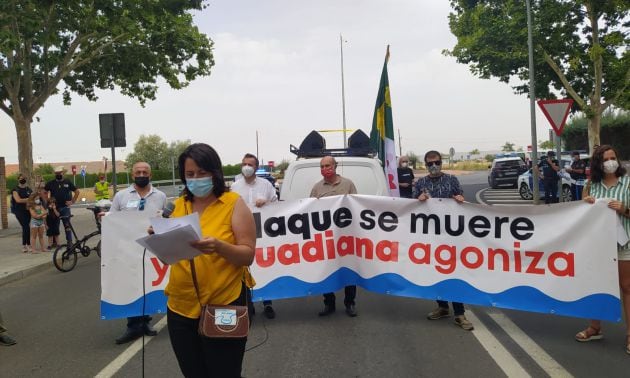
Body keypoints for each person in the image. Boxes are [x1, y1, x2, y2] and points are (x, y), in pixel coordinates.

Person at [164, 143, 255, 377]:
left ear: (215, 172)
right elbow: (172, 252)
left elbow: (248, 255)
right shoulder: (178, 206)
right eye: (190, 174)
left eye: (202, 173)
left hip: (224, 304)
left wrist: (219, 247)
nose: (196, 179)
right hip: (181, 308)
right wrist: (160, 237)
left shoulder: (233, 203)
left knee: (224, 373)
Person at [574, 145, 630, 355]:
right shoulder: (591, 185)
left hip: (624, 244)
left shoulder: (627, 183)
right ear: (598, 163)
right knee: (596, 285)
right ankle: (595, 327)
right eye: (605, 159)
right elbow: (582, 211)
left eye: (613, 157)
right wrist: (586, 203)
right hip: (598, 246)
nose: (610, 162)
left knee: (627, 287)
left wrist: (623, 209)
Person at [413, 150, 474, 331]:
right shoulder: (421, 183)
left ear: (441, 162)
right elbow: (411, 205)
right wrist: (418, 200)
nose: (434, 166)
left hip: (451, 236)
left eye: (437, 162)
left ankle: (459, 313)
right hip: (431, 237)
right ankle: (442, 306)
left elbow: (461, 198)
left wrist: (460, 199)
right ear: (425, 165)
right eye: (430, 163)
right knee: (436, 272)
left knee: (453, 272)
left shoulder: (451, 180)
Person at [109, 162, 167, 344]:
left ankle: (145, 322)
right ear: (132, 175)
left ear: (150, 175)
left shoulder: (160, 196)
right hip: (128, 250)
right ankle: (133, 325)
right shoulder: (121, 196)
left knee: (147, 285)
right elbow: (112, 220)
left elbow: (165, 220)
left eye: (145, 172)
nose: (141, 174)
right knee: (131, 285)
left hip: (151, 249)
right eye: (138, 172)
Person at [310, 155, 358, 317]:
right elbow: (310, 212)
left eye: (328, 165)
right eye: (322, 166)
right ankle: (328, 303)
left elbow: (357, 206)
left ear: (335, 166)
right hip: (327, 238)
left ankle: (350, 303)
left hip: (346, 236)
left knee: (349, 269)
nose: (325, 169)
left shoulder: (348, 184)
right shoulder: (317, 188)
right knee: (326, 270)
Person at [231, 153, 278, 319]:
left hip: (263, 233)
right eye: (244, 164)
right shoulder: (235, 187)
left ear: (256, 167)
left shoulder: (266, 185)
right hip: (242, 234)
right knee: (245, 269)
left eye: (250, 164)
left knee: (265, 265)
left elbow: (277, 205)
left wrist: (267, 203)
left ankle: (268, 303)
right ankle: (247, 305)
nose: (246, 167)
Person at [45, 166, 80, 244]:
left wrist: (72, 201)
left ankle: (69, 242)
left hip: (65, 208)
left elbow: (77, 191)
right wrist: (47, 200)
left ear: (62, 173)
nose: (58, 175)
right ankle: (54, 243)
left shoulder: (67, 182)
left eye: (59, 173)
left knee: (67, 225)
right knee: (54, 225)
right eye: (56, 173)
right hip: (54, 208)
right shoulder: (51, 183)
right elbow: (44, 191)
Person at [11, 173, 32, 253]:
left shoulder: (28, 189)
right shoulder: (15, 189)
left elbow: (33, 197)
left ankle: (26, 245)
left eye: (24, 178)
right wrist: (28, 199)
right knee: (26, 226)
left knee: (26, 227)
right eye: (21, 178)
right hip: (18, 211)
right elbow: (18, 200)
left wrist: (31, 199)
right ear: (18, 179)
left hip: (27, 210)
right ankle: (26, 245)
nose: (22, 179)